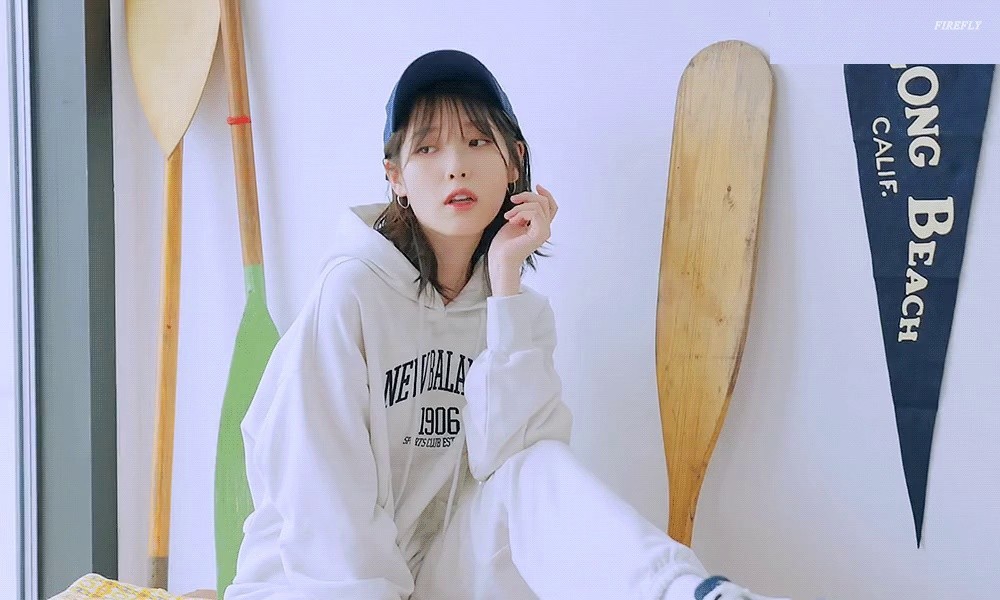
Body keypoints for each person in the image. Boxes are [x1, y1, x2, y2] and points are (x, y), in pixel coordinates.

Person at [225, 49, 789, 600]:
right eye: (427, 148)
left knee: (533, 464)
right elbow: (320, 493)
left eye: (477, 141)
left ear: (514, 161)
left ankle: (689, 593)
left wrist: (506, 281)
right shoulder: (349, 292)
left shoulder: (513, 308)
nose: (455, 165)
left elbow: (513, 464)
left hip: (429, 576)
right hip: (316, 584)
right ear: (395, 177)